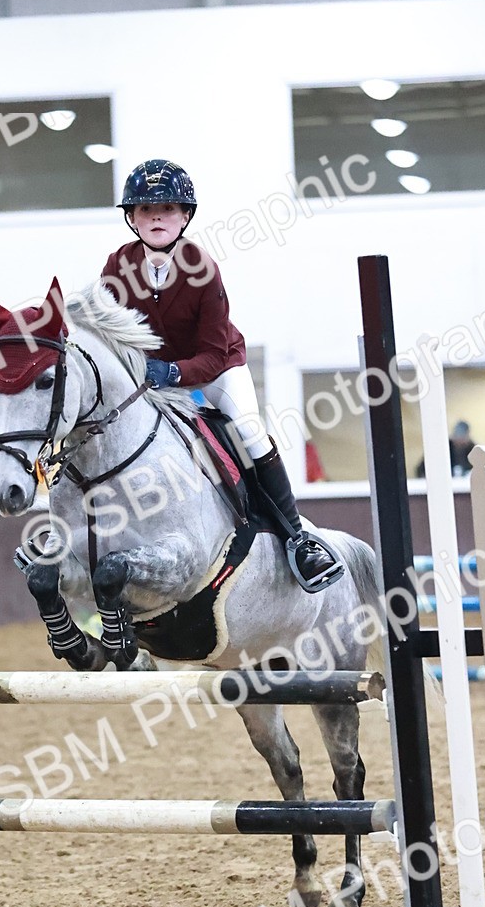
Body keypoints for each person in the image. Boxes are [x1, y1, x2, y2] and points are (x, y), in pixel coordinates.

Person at [100, 158, 342, 593]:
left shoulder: (203, 269)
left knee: (250, 432)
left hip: (214, 369)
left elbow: (212, 354)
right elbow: (107, 332)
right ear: (131, 218)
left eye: (169, 208)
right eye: (146, 209)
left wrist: (173, 371)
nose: (157, 216)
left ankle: (298, 539)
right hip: (150, 376)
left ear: (185, 216)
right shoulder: (116, 268)